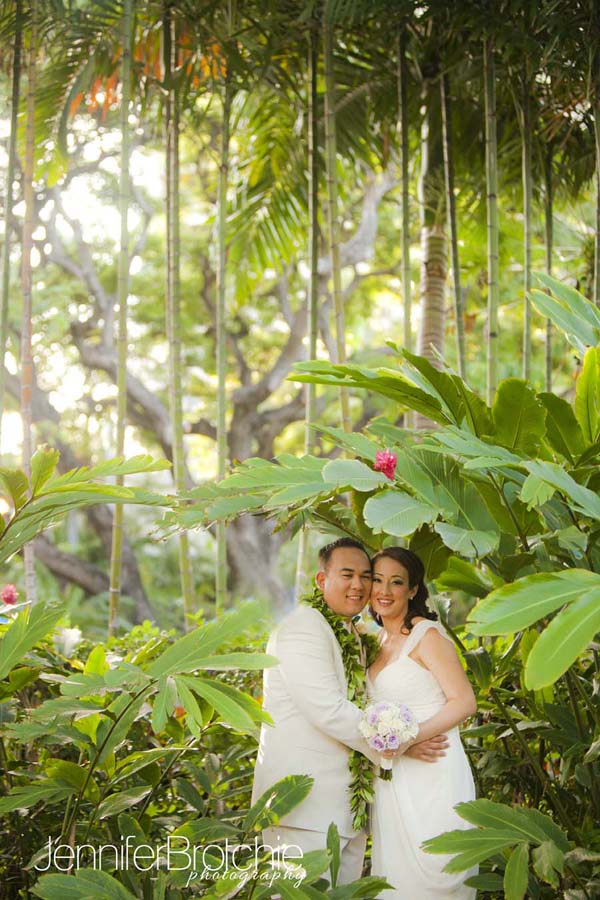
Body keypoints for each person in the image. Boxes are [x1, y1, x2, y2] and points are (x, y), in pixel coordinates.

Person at [252, 537, 448, 885]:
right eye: (347, 574)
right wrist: (400, 744)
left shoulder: (350, 632)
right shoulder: (304, 627)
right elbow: (327, 709)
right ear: (321, 580)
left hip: (344, 806)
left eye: (366, 576)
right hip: (305, 805)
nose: (358, 585)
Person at [367, 546, 478, 899]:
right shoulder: (374, 640)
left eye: (396, 582)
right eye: (377, 580)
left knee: (438, 875)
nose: (384, 591)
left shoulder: (426, 635)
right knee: (397, 881)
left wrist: (410, 738)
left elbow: (464, 701)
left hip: (434, 771)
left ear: (413, 590)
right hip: (394, 778)